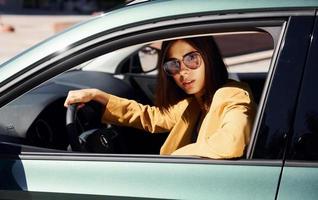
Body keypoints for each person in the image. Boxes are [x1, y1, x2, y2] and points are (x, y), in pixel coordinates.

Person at [64, 36, 256, 159]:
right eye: (174, 65)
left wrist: (175, 158)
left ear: (209, 57)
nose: (183, 72)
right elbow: (153, 118)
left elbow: (231, 142)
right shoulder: (196, 102)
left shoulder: (231, 94)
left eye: (191, 59)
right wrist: (98, 96)